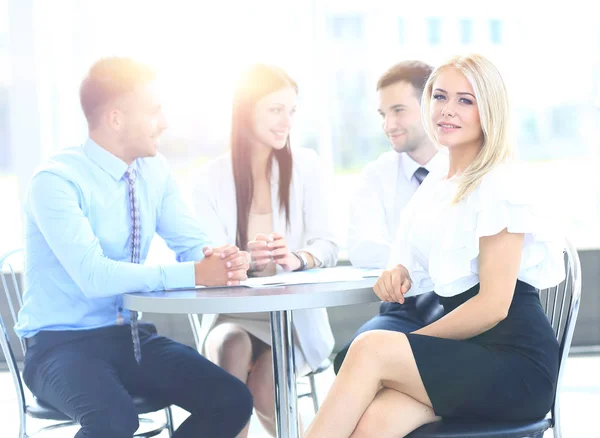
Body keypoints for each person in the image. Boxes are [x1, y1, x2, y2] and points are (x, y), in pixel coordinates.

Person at [305, 53, 566, 437]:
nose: (447, 110)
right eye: (440, 97)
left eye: (465, 100)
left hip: (515, 365)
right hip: (468, 356)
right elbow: (420, 254)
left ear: (489, 110)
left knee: (369, 349)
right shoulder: (442, 178)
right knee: (374, 422)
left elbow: (493, 306)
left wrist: (405, 347)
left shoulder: (499, 183)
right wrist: (399, 269)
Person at [15, 57, 253, 438]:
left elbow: (191, 244)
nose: (165, 123)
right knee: (113, 421)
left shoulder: (154, 171)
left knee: (232, 398)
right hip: (60, 346)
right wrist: (195, 274)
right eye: (155, 110)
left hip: (129, 338)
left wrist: (224, 259)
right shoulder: (55, 181)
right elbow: (93, 276)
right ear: (115, 118)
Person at [192, 63, 339, 437]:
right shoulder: (210, 178)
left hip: (289, 321)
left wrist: (296, 258)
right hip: (231, 314)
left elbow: (327, 244)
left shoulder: (306, 166)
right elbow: (203, 255)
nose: (285, 121)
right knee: (231, 346)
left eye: (291, 111)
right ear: (246, 110)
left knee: (263, 388)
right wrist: (239, 262)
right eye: (275, 109)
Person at [334, 61, 447, 373]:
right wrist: (410, 267)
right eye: (384, 115)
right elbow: (363, 247)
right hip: (403, 307)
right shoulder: (377, 174)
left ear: (431, 106)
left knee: (405, 366)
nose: (389, 125)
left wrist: (405, 262)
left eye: (399, 110)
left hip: (457, 306)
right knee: (350, 361)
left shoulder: (462, 168)